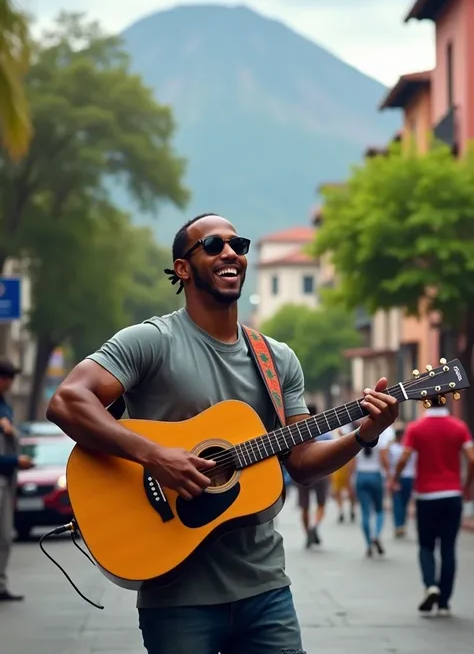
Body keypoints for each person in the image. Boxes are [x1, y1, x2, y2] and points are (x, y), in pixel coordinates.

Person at [46, 213, 399, 654]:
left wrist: (364, 434)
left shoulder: (277, 359)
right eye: (213, 245)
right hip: (175, 592)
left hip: (264, 587)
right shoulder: (150, 341)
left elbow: (303, 463)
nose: (230, 252)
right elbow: (67, 401)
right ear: (182, 268)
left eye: (239, 244)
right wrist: (156, 457)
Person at [390, 403, 474, 617]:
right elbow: (471, 459)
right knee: (448, 548)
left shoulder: (416, 428)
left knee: (426, 545)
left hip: (426, 496)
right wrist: (466, 486)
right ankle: (444, 602)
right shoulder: (459, 426)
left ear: (425, 402)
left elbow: (404, 458)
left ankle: (431, 586)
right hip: (452, 495)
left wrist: (395, 479)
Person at [0, 358, 34, 602]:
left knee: (4, 537)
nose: (10, 383)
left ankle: (0, 584)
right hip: (3, 474)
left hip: (6, 480)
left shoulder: (6, 405)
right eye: (8, 378)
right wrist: (14, 462)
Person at [354, 421, 394, 557]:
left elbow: (351, 463)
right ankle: (376, 535)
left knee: (365, 513)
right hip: (376, 475)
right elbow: (384, 459)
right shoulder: (380, 437)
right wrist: (389, 476)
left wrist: (350, 481)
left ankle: (368, 544)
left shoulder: (356, 437)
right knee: (379, 510)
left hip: (361, 475)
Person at [297, 403, 332, 548]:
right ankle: (314, 526)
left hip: (302, 471)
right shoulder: (324, 430)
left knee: (304, 507)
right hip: (322, 473)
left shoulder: (299, 431)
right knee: (321, 504)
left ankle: (307, 534)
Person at [387, 421, 416, 537]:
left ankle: (398, 525)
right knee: (404, 502)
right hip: (409, 477)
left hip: (397, 477)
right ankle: (402, 524)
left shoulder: (392, 448)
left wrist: (391, 479)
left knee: (397, 503)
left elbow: (389, 463)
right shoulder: (409, 448)